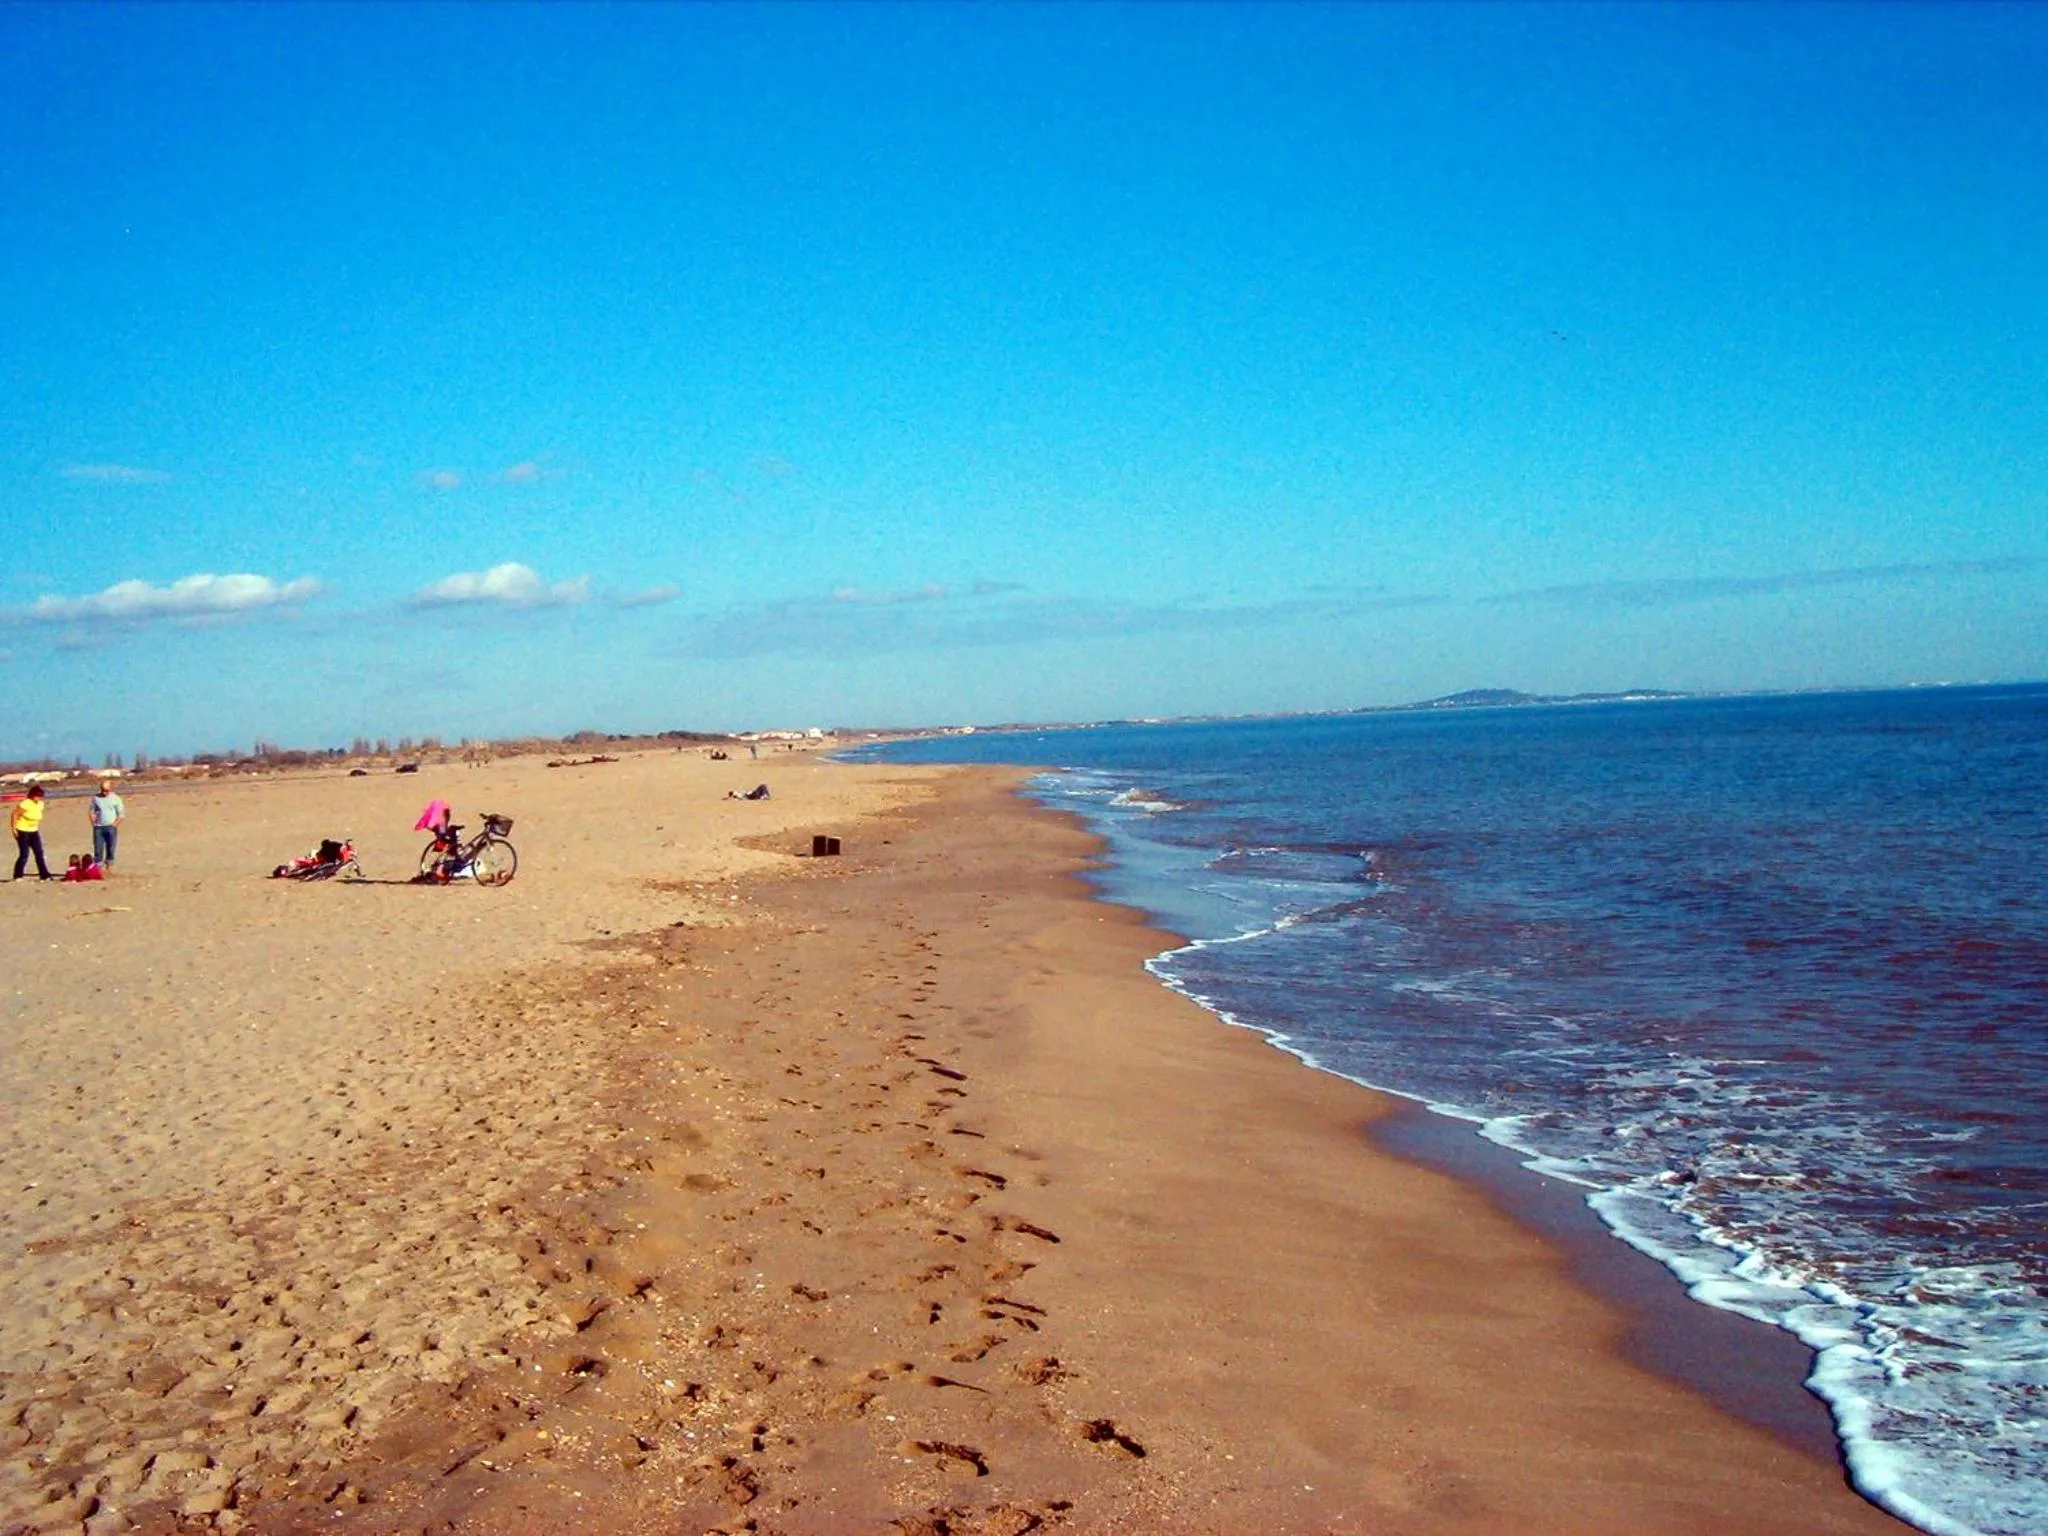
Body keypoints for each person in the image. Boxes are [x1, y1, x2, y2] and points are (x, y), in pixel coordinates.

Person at [11, 786, 52, 880]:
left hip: (34, 831)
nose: (39, 798)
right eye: (37, 796)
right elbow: (15, 814)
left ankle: (44, 874)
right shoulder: (25, 804)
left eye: (40, 796)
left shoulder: (41, 804)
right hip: (22, 830)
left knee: (39, 853)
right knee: (24, 854)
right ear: (32, 795)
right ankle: (18, 875)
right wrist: (14, 829)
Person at [89, 780, 125, 869]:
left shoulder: (116, 798)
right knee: (98, 848)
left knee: (111, 847)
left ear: (111, 789)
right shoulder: (96, 798)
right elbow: (91, 811)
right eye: (102, 790)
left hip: (110, 827)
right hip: (99, 827)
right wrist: (94, 823)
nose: (104, 792)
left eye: (106, 790)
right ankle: (98, 866)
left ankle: (109, 864)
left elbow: (121, 814)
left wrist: (114, 825)